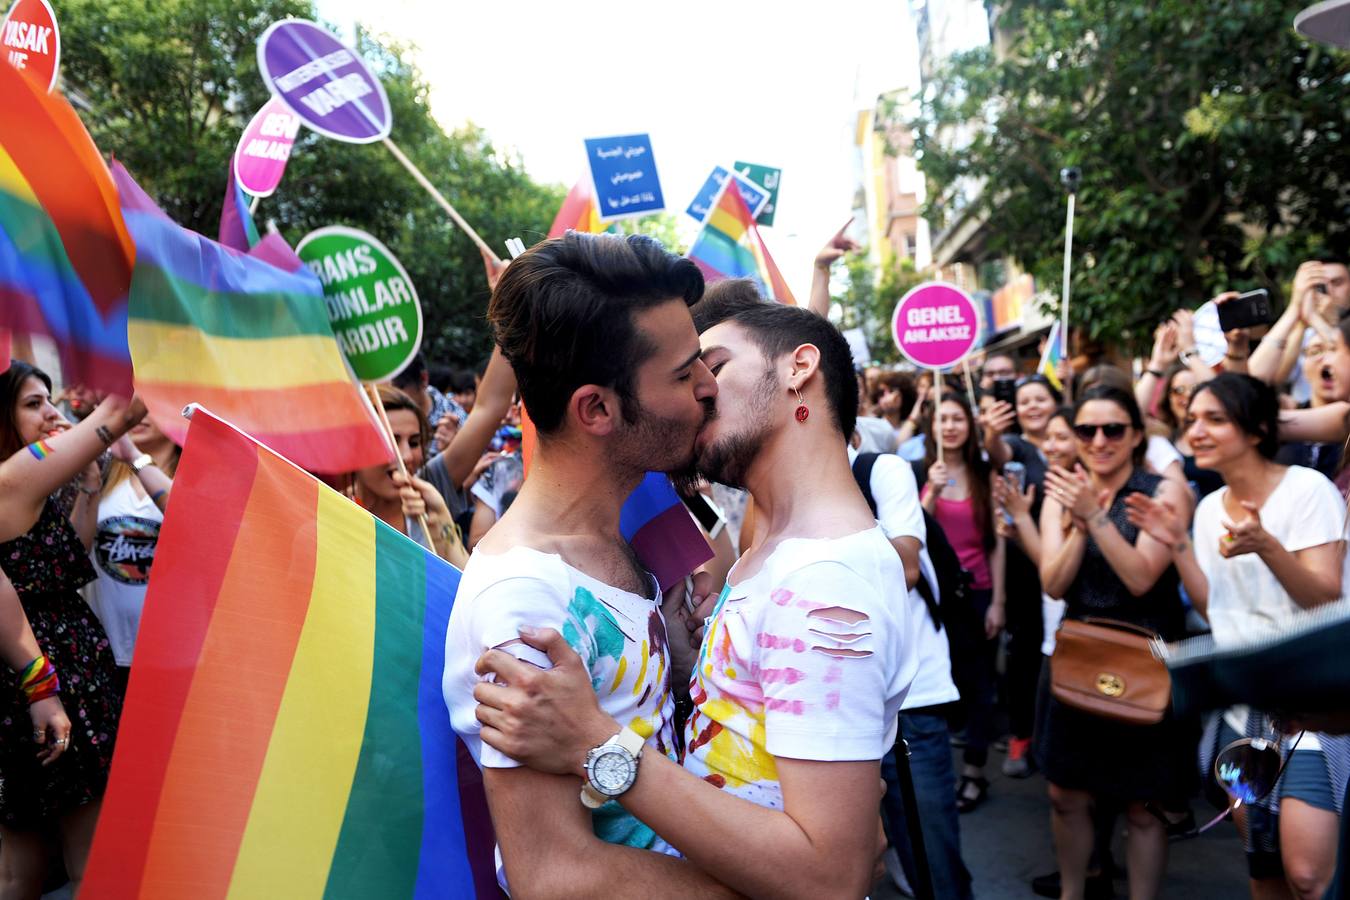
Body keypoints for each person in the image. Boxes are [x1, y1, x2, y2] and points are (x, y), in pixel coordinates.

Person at [466, 289, 920, 898]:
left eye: (717, 366)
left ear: (800, 367)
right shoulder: (776, 555)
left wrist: (596, 742)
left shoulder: (824, 578)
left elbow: (830, 877)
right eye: (689, 375)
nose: (701, 392)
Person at [442, 232, 737, 894]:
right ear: (597, 408)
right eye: (684, 373)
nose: (709, 385)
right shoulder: (525, 598)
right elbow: (554, 875)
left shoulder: (621, 539)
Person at [1125, 373, 1349, 900]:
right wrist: (1177, 544)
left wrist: (1267, 545)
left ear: (1257, 429)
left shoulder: (1307, 490)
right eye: (1192, 420)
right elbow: (1213, 608)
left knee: (1309, 877)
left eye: (1215, 419)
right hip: (1244, 715)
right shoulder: (1209, 509)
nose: (1196, 431)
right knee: (1263, 866)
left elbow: (1324, 599)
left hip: (1313, 713)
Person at [1037, 384, 1193, 900]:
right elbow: (1053, 584)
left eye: (1113, 429)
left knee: (1144, 807)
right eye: (1087, 430)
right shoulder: (1062, 491)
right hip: (1080, 653)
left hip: (1148, 658)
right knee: (1065, 794)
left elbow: (1141, 577)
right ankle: (1073, 891)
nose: (1099, 440)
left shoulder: (1163, 492)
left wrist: (1096, 516)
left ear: (1137, 435)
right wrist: (1081, 526)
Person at [0, 362, 141, 898]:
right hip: (51, 680)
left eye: (49, 399)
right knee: (92, 859)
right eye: (33, 404)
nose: (51, 413)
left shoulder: (24, 482)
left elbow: (66, 559)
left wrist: (87, 487)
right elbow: (123, 410)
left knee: (21, 865)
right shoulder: (13, 478)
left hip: (42, 677)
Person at [849, 443, 972, 898]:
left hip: (909, 702)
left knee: (932, 859)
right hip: (840, 703)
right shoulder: (776, 488)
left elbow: (905, 568)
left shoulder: (882, 469)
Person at [919, 392, 1005, 812]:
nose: (951, 426)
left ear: (970, 426)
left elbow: (996, 544)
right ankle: (942, 770)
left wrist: (999, 601)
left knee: (980, 684)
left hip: (980, 592)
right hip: (939, 597)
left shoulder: (985, 474)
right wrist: (931, 492)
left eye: (958, 419)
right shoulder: (917, 472)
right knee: (945, 679)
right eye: (943, 419)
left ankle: (974, 770)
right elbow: (912, 533)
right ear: (932, 426)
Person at [991, 375, 1062, 778]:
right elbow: (996, 451)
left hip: (1067, 562)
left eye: (1040, 398)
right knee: (1024, 653)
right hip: (1023, 567)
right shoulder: (1016, 447)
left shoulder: (1077, 442)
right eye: (1024, 401)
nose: (1033, 406)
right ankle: (1021, 735)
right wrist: (990, 432)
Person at [85, 420, 178, 696]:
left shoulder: (199, 475)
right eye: (133, 406)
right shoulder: (101, 470)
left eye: (149, 406)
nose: (139, 415)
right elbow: (75, 550)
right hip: (103, 652)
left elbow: (194, 520)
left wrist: (135, 457)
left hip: (172, 658)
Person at [351, 384, 464, 565]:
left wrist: (444, 523)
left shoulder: (430, 516)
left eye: (414, 442)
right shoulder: (329, 512)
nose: (406, 456)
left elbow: (467, 580)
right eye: (390, 441)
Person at [392, 351, 467, 452]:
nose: (389, 397)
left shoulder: (457, 420)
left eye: (398, 389)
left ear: (424, 379)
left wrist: (453, 451)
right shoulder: (379, 416)